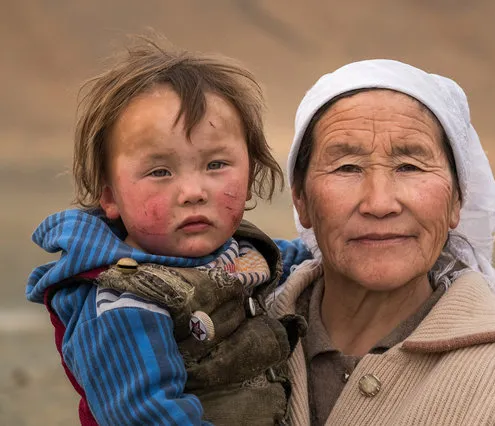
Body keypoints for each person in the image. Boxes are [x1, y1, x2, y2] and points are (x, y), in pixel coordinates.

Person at [269, 59, 495, 425]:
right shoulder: (229, 332)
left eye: (410, 167)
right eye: (347, 167)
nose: (379, 203)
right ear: (301, 200)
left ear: (457, 199)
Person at [26, 40, 307, 425]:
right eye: (160, 172)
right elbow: (149, 415)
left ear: (252, 172)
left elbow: (301, 257)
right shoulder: (122, 306)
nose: (193, 192)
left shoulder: (239, 250)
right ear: (110, 196)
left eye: (216, 164)